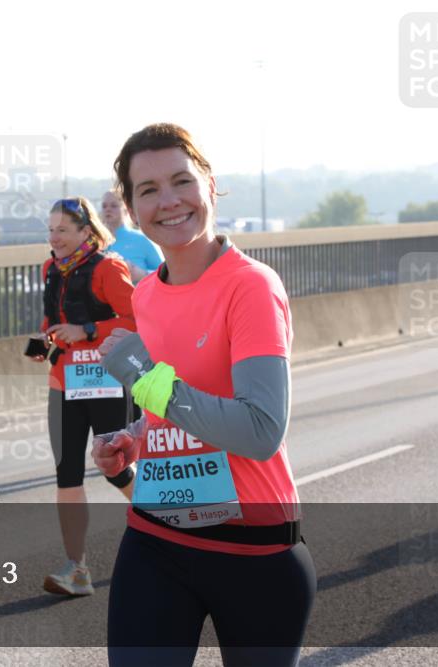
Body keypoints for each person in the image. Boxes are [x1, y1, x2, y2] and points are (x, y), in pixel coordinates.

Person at [93, 123, 316, 666]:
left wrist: (147, 380)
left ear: (210, 185)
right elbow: (182, 402)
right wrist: (138, 435)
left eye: (181, 181)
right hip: (155, 538)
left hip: (254, 552)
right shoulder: (145, 295)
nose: (168, 202)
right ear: (131, 206)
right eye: (147, 190)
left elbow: (259, 431)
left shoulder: (251, 286)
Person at [29, 196, 136, 597]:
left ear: (85, 232)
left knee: (115, 468)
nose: (54, 237)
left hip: (107, 382)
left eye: (62, 230)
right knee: (67, 474)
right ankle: (78, 569)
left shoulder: (108, 267)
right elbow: (51, 321)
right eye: (50, 229)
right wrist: (43, 341)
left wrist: (88, 330)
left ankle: (166, 524)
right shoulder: (49, 269)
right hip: (64, 384)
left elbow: (134, 319)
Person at [101, 189, 162, 282]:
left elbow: (166, 274)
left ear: (126, 210)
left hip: (137, 295)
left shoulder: (142, 239)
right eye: (104, 206)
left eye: (114, 206)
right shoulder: (93, 241)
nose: (108, 209)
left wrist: (143, 274)